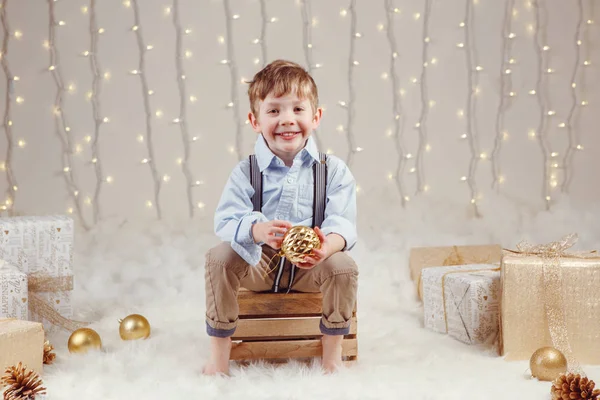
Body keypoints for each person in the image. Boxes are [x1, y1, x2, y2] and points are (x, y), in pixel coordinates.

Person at [203, 59, 358, 376]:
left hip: (310, 268)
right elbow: (226, 220)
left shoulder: (333, 171)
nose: (287, 120)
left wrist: (326, 247)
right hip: (259, 264)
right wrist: (257, 230)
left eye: (297, 110)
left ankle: (332, 356)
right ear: (255, 120)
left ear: (315, 117)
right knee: (218, 258)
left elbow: (342, 222)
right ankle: (219, 358)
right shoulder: (246, 171)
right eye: (274, 111)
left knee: (344, 266)